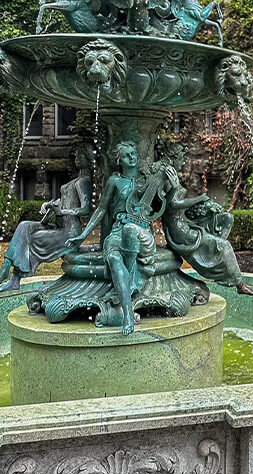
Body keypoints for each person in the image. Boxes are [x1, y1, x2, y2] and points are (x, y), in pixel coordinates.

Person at [66, 140, 157, 335]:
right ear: (119, 160)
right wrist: (83, 235)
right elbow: (101, 209)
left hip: (141, 232)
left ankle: (129, 275)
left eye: (133, 153)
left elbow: (165, 204)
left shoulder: (146, 179)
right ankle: (127, 313)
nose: (132, 157)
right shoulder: (114, 182)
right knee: (115, 257)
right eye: (127, 155)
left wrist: (173, 184)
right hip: (117, 231)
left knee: (130, 231)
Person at [158, 140, 253, 295]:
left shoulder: (171, 174)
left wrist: (205, 207)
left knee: (226, 218)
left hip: (185, 221)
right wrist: (201, 198)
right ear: (173, 158)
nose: (183, 161)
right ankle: (240, 285)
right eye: (181, 158)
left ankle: (209, 252)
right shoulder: (166, 176)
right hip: (178, 230)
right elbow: (171, 205)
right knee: (225, 246)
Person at [0, 146, 93, 291]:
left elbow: (86, 210)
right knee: (24, 225)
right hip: (59, 225)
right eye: (76, 156)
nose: (76, 159)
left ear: (88, 159)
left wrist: (62, 211)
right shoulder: (76, 180)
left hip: (68, 232)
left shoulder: (84, 181)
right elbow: (63, 202)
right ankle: (7, 267)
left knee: (34, 237)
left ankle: (14, 277)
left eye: (80, 156)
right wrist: (49, 205)